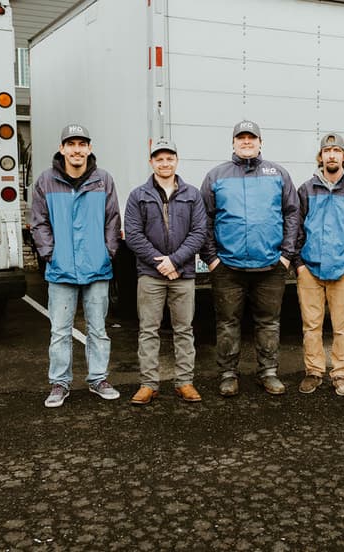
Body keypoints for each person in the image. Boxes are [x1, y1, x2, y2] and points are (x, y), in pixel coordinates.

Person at [200, 120, 300, 397]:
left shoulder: (277, 173)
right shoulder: (216, 176)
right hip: (228, 266)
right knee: (227, 323)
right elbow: (204, 218)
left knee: (269, 322)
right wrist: (212, 258)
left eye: (251, 138)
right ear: (233, 143)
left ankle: (268, 372)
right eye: (241, 138)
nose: (246, 142)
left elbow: (292, 213)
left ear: (260, 142)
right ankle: (228, 374)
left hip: (270, 265)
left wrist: (286, 256)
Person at [31, 124, 122, 408]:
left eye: (82, 144)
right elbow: (38, 221)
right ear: (62, 149)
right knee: (60, 330)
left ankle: (98, 379)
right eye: (71, 144)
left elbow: (112, 219)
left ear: (89, 149)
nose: (77, 150)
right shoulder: (46, 181)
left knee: (98, 329)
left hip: (97, 268)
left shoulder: (103, 180)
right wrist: (51, 254)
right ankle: (60, 383)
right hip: (61, 270)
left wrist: (107, 252)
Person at [123, 139, 207, 405]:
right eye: (159, 159)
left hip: (182, 275)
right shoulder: (138, 195)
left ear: (176, 160)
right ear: (151, 163)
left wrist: (176, 261)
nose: (164, 163)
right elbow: (133, 235)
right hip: (150, 275)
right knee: (149, 330)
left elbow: (199, 233)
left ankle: (185, 382)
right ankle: (148, 384)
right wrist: (161, 263)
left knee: (184, 329)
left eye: (169, 158)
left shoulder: (193, 195)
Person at [295, 133, 344, 397]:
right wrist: (299, 264)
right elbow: (295, 228)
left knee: (341, 327)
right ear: (321, 157)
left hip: (343, 270)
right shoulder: (306, 189)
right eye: (326, 150)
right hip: (310, 270)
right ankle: (314, 371)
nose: (331, 155)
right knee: (311, 326)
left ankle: (340, 374)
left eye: (336, 150)